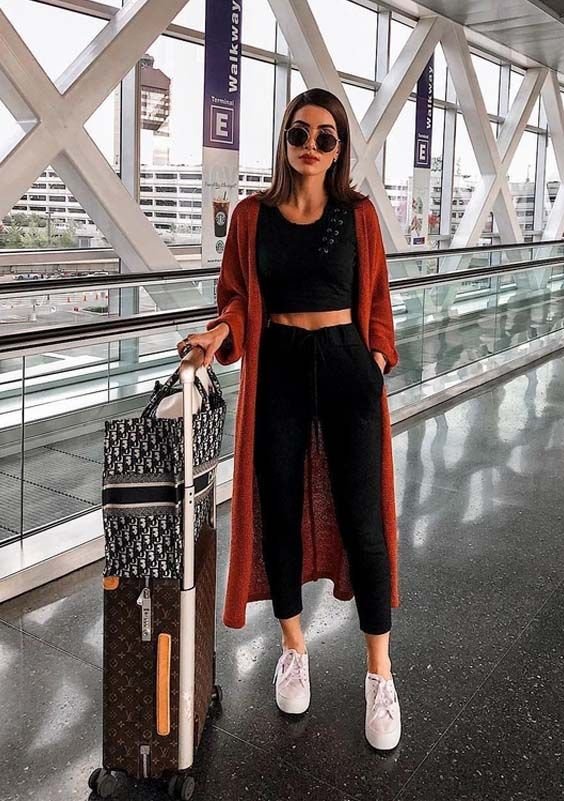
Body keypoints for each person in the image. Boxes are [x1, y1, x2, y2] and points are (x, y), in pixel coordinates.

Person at [177, 88, 401, 751]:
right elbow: (240, 296)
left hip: (345, 364)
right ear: (284, 139)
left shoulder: (357, 215)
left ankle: (379, 673)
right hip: (275, 366)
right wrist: (220, 333)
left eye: (325, 137)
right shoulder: (252, 215)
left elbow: (381, 295)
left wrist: (379, 358)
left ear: (339, 149)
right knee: (276, 506)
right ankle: (294, 646)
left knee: (363, 519)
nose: (310, 144)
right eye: (299, 132)